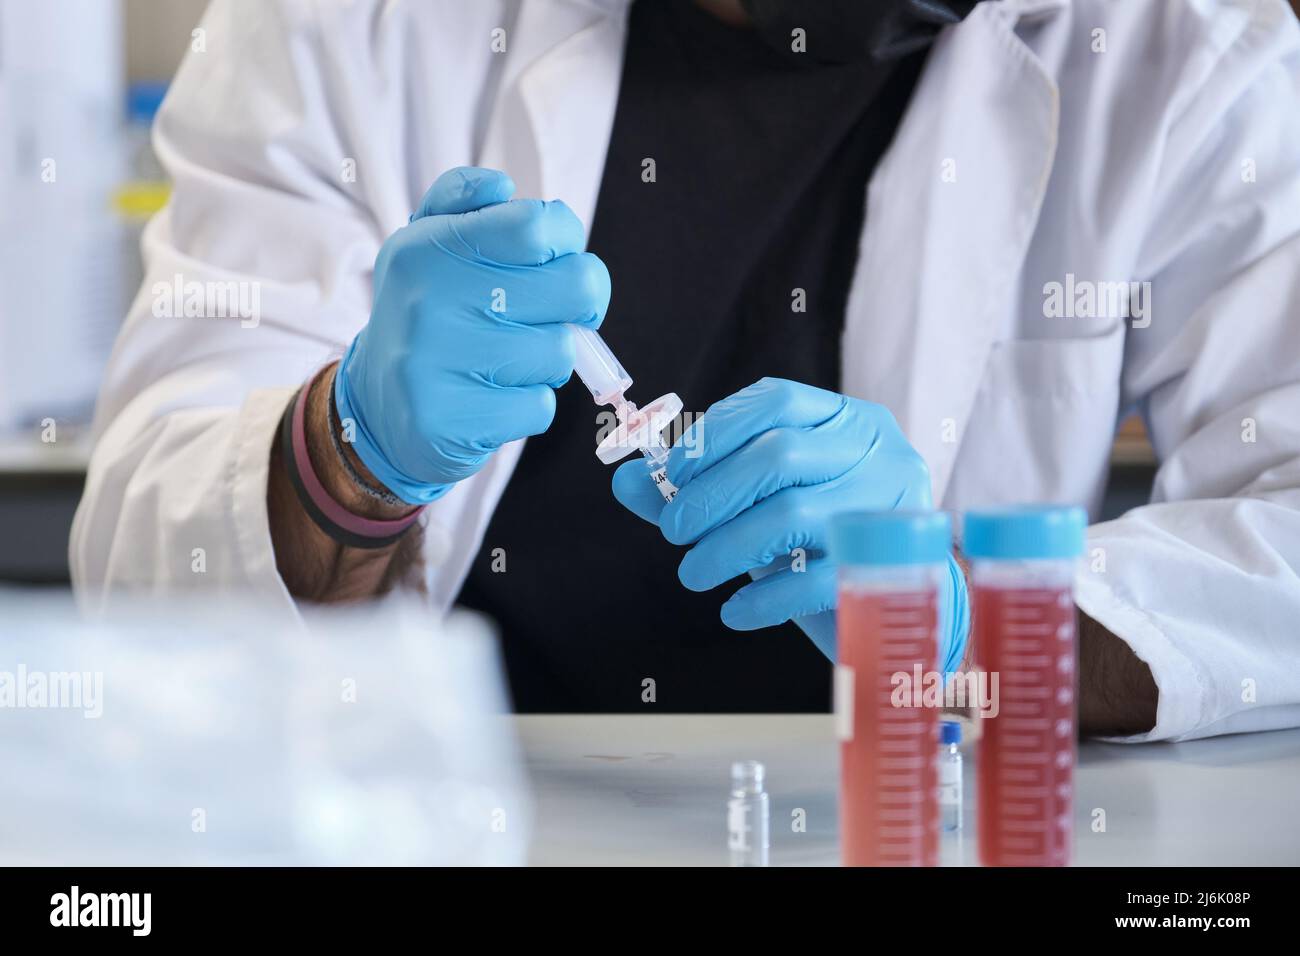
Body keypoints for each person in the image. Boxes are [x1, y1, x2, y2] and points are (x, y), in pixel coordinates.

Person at [72, 0, 1300, 741]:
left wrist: (981, 628)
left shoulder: (1184, 49)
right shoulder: (351, 25)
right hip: (436, 817)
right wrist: (348, 454)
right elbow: (146, 546)